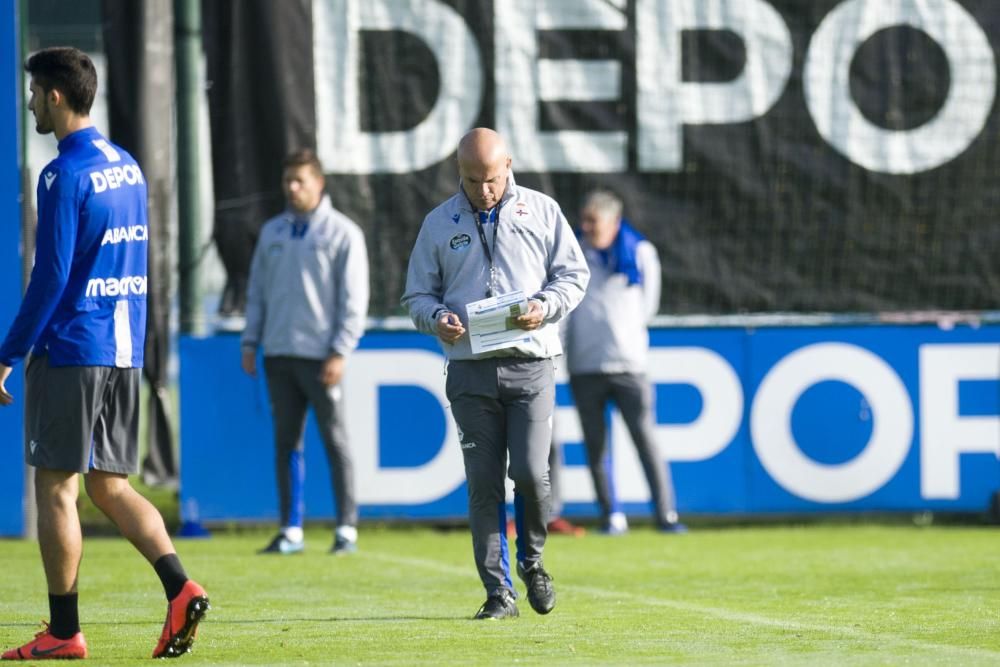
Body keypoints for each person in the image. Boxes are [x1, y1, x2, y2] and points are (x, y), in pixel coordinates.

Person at [0, 47, 208, 661]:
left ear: (56, 96)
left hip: (73, 348)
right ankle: (180, 586)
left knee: (55, 491)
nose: (32, 102)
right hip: (123, 348)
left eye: (35, 93)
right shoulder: (128, 166)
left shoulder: (62, 173)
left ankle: (64, 631)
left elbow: (52, 274)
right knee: (110, 486)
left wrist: (10, 350)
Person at [402, 128, 589, 620]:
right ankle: (498, 594)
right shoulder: (438, 223)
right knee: (483, 485)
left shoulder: (543, 211)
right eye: (471, 180)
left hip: (531, 364)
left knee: (530, 472)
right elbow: (417, 295)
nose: (483, 190)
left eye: (491, 179)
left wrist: (545, 306)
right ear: (457, 173)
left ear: (509, 165)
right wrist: (436, 318)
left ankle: (533, 562)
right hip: (469, 372)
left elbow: (574, 275)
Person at [241, 149, 369, 556]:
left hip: (321, 357)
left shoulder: (342, 233)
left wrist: (339, 350)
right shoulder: (273, 232)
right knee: (286, 443)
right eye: (288, 181)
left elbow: (354, 300)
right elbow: (257, 293)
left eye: (301, 181)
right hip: (279, 354)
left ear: (319, 183)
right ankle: (290, 529)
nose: (293, 189)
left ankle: (346, 527)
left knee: (335, 440)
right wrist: (250, 340)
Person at [563, 189, 686, 535]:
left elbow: (649, 305)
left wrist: (624, 336)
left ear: (614, 222)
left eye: (593, 220)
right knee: (596, 446)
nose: (586, 227)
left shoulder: (641, 252)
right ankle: (611, 514)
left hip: (630, 366)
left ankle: (666, 514)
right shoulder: (572, 250)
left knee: (645, 440)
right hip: (585, 366)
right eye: (584, 220)